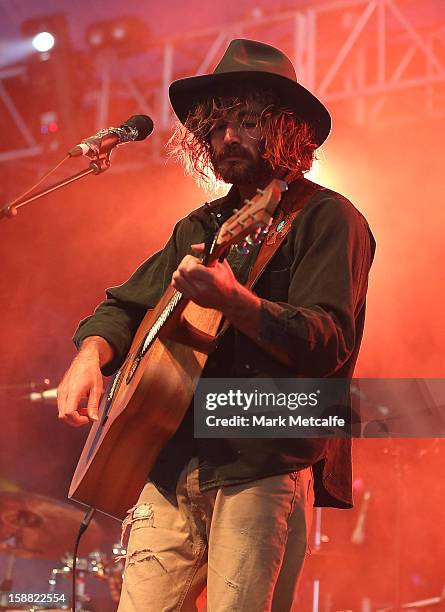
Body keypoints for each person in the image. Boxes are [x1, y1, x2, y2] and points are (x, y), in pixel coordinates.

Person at [58, 39, 375, 611]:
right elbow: (125, 305)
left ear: (285, 131)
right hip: (171, 461)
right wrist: (90, 354)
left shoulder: (330, 218)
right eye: (218, 123)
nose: (228, 137)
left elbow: (328, 341)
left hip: (262, 461)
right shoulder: (199, 225)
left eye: (248, 122)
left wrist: (237, 303)